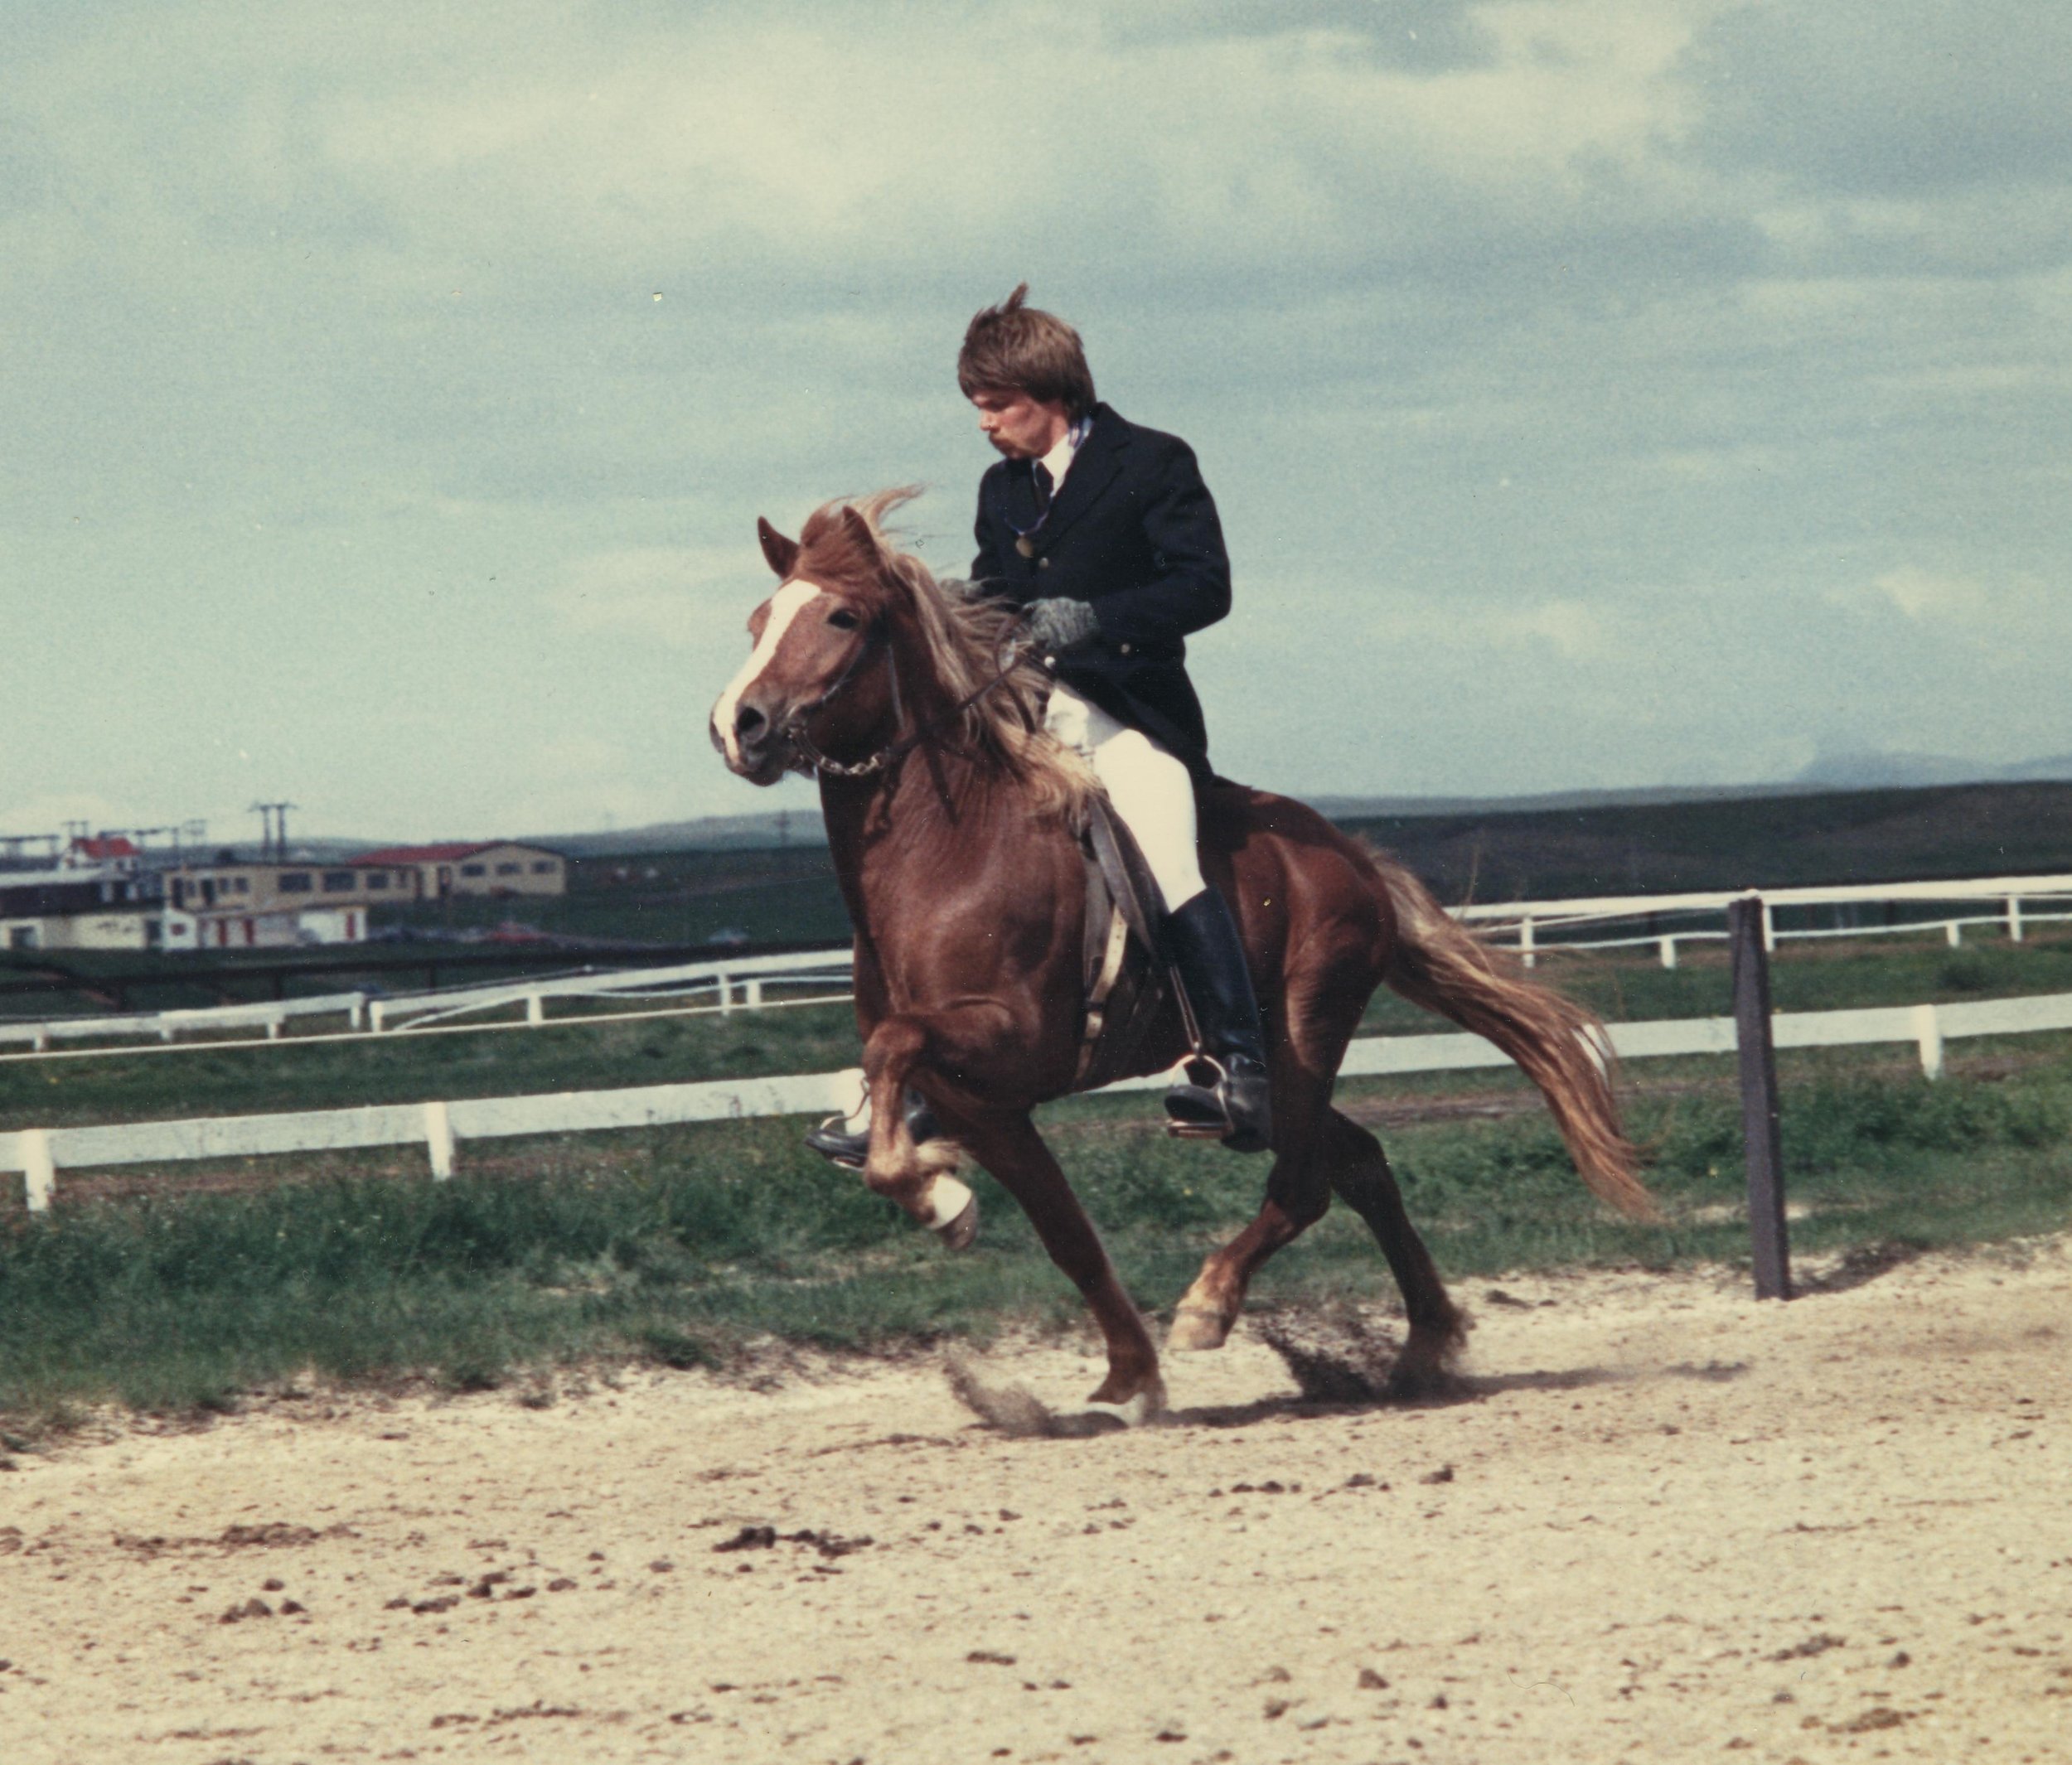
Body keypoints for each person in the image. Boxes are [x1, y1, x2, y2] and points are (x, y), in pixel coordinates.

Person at [806, 284, 1271, 1168]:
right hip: (1026, 708)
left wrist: (1095, 617)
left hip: (1127, 709)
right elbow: (995, 591)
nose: (983, 425)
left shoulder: (1154, 463)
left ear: (1049, 396)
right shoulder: (1002, 487)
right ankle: (926, 1084)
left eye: (995, 407)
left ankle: (1236, 1065)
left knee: (1167, 855)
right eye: (976, 408)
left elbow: (1203, 587)